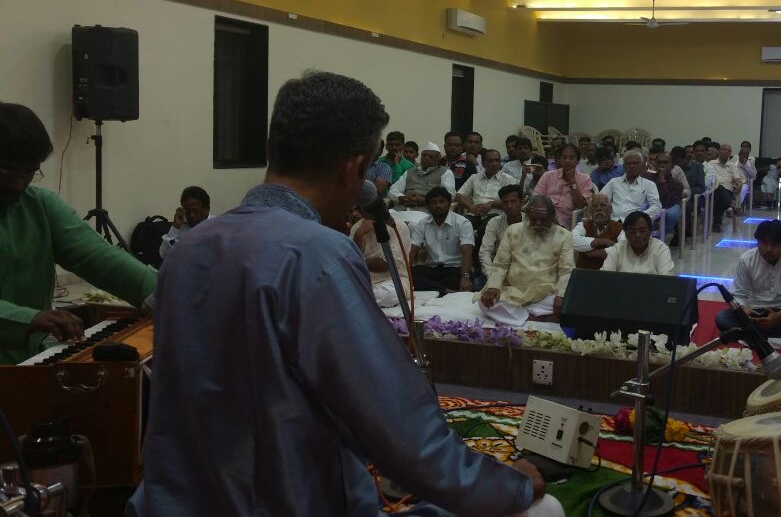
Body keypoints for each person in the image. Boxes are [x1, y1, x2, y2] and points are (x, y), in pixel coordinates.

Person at [129, 72, 550, 515]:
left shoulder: (186, 250)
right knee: (541, 511)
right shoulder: (317, 255)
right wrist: (511, 485)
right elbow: (404, 438)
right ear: (354, 169)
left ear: (273, 148)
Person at [0, 103, 157, 365]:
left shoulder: (40, 206)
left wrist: (168, 293)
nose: (18, 184)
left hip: (26, 365)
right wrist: (30, 318)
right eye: (6, 170)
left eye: (29, 172)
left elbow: (99, 258)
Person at [714, 220, 781, 343]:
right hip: (756, 312)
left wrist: (779, 316)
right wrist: (743, 308)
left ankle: (753, 335)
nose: (768, 249)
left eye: (775, 245)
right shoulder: (747, 259)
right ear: (757, 242)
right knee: (722, 318)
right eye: (764, 243)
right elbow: (738, 294)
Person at [478, 196, 573, 326]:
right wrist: (493, 286)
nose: (538, 223)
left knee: (570, 304)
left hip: (546, 294)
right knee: (485, 303)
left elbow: (567, 270)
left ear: (552, 216)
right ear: (527, 215)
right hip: (515, 291)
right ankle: (535, 317)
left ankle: (519, 316)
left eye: (543, 220)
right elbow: (500, 264)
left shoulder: (564, 236)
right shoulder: (513, 230)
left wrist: (561, 296)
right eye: (534, 219)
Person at [409, 186, 475, 294]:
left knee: (464, 278)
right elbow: (412, 250)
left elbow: (467, 253)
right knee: (409, 274)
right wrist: (405, 274)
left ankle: (435, 289)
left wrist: (465, 277)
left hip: (454, 269)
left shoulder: (463, 223)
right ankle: (444, 290)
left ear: (449, 204)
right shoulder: (423, 224)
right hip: (432, 269)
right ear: (428, 206)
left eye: (441, 202)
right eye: (433, 203)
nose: (438, 206)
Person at [349, 205, 413, 309]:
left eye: (358, 210)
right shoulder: (357, 228)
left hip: (392, 281)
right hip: (363, 281)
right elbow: (349, 264)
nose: (354, 214)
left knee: (388, 294)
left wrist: (358, 262)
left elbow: (386, 264)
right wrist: (358, 236)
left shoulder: (398, 226)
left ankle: (355, 300)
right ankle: (358, 299)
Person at [533, 143, 594, 228]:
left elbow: (580, 205)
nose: (567, 160)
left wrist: (573, 182)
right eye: (564, 157)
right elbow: (535, 198)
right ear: (560, 159)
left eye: (571, 158)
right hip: (544, 214)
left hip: (565, 220)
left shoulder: (585, 179)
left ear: (577, 161)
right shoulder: (548, 175)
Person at [455, 149, 518, 230]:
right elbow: (458, 195)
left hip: (496, 216)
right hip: (474, 215)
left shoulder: (508, 179)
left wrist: (492, 204)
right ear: (483, 163)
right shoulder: (474, 178)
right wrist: (471, 207)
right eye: (490, 161)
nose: (494, 164)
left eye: (497, 160)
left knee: (487, 227)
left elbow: (513, 202)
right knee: (460, 224)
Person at [387, 142, 456, 213]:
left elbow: (450, 196)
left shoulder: (445, 172)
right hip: (402, 209)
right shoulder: (410, 171)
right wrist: (402, 198)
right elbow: (392, 190)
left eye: (431, 156)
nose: (426, 158)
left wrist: (424, 200)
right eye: (424, 155)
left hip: (427, 213)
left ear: (438, 159)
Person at [601, 211, 675, 275]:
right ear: (626, 234)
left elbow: (666, 281)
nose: (638, 235)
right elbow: (604, 277)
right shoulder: (618, 249)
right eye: (633, 231)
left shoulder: (661, 249)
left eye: (642, 230)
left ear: (650, 232)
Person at [477, 184, 523, 286]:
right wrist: (492, 277)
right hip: (498, 270)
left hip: (522, 271)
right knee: (478, 285)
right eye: (505, 202)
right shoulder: (495, 222)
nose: (509, 206)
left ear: (521, 203)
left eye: (513, 201)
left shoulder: (530, 222)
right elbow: (485, 252)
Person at [601, 150, 661, 222]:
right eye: (628, 163)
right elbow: (600, 200)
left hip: (637, 225)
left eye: (635, 163)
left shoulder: (649, 185)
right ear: (623, 166)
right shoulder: (614, 182)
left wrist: (640, 217)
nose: (632, 166)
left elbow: (657, 207)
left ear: (641, 166)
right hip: (614, 222)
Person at [158, 185, 213, 259]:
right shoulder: (181, 225)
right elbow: (164, 255)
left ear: (207, 208)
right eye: (187, 211)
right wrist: (175, 227)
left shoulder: (218, 225)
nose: (191, 215)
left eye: (195, 211)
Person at [641, 150, 684, 242]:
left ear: (672, 165)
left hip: (667, 208)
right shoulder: (646, 178)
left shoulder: (677, 184)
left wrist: (662, 180)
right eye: (659, 162)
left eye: (665, 162)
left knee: (672, 214)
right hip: (647, 206)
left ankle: (659, 238)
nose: (662, 165)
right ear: (655, 164)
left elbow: (666, 202)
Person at [572, 193, 623, 270]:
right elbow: (572, 241)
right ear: (590, 211)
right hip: (583, 274)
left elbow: (622, 249)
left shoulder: (619, 227)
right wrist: (604, 241)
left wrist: (590, 254)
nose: (598, 208)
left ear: (610, 209)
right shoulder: (584, 225)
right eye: (594, 206)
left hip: (610, 275)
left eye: (603, 205)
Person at [706, 143, 744, 232]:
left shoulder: (732, 166)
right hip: (712, 190)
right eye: (724, 149)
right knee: (718, 187)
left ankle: (717, 224)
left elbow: (738, 179)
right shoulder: (711, 163)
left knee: (719, 197)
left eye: (728, 151)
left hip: (728, 191)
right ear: (719, 151)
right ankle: (730, 204)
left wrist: (739, 185)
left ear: (730, 153)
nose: (726, 152)